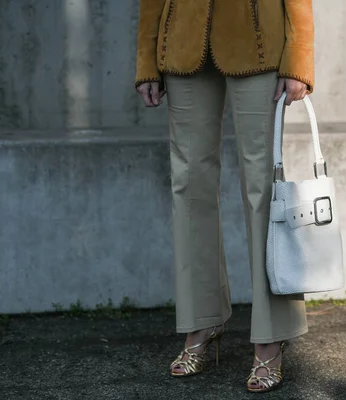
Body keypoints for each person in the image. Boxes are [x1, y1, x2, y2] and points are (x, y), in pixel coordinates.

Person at [134, 0, 314, 393]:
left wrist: (298, 58)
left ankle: (271, 334)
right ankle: (201, 321)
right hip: (182, 42)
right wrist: (147, 60)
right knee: (189, 186)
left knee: (263, 188)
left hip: (259, 42)